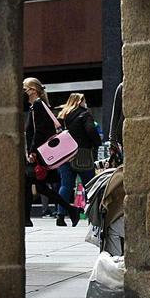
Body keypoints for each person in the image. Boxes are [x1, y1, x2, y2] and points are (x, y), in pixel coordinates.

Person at [23, 77, 81, 227]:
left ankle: (26, 219)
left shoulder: (38, 105)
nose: (23, 92)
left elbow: (39, 131)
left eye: (25, 89)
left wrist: (32, 151)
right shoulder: (38, 105)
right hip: (40, 152)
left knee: (28, 183)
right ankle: (70, 209)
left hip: (38, 154)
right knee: (39, 187)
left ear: (33, 91)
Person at [55, 93, 99, 227]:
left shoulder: (62, 116)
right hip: (82, 154)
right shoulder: (84, 114)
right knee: (90, 185)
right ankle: (93, 217)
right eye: (84, 101)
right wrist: (97, 142)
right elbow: (91, 130)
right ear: (80, 101)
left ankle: (60, 216)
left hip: (64, 154)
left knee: (65, 185)